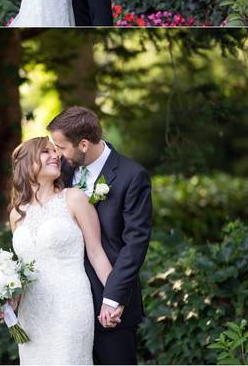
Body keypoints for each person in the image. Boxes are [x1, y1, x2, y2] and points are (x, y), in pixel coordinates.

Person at [49, 106, 153, 365]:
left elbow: (135, 244)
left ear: (83, 144)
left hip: (108, 305)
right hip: (65, 302)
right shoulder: (60, 171)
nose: (57, 153)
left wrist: (113, 297)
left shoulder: (132, 176)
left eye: (61, 147)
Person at [8, 137, 114, 365]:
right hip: (31, 313)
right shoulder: (17, 213)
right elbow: (22, 270)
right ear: (27, 163)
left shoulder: (74, 198)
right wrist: (8, 300)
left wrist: (114, 298)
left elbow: (96, 253)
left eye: (56, 151)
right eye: (46, 152)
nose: (55, 155)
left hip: (70, 304)